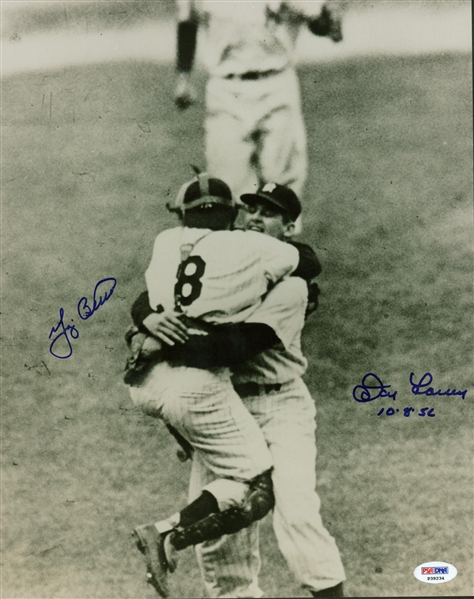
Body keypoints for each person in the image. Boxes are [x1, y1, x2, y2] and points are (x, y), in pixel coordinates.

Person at [137, 183, 346, 597]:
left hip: (279, 403)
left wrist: (157, 339)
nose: (253, 218)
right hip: (222, 400)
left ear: (288, 228)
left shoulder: (292, 287)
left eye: (267, 213)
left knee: (297, 513)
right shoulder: (225, 261)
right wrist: (145, 316)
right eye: (249, 209)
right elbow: (157, 292)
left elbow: (233, 347)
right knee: (220, 543)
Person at [174, 0, 344, 231]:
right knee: (227, 183)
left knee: (281, 182)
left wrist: (330, 21)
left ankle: (282, 260)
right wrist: (183, 77)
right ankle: (241, 261)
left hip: (277, 84)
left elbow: (316, 20)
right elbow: (187, 21)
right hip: (225, 88)